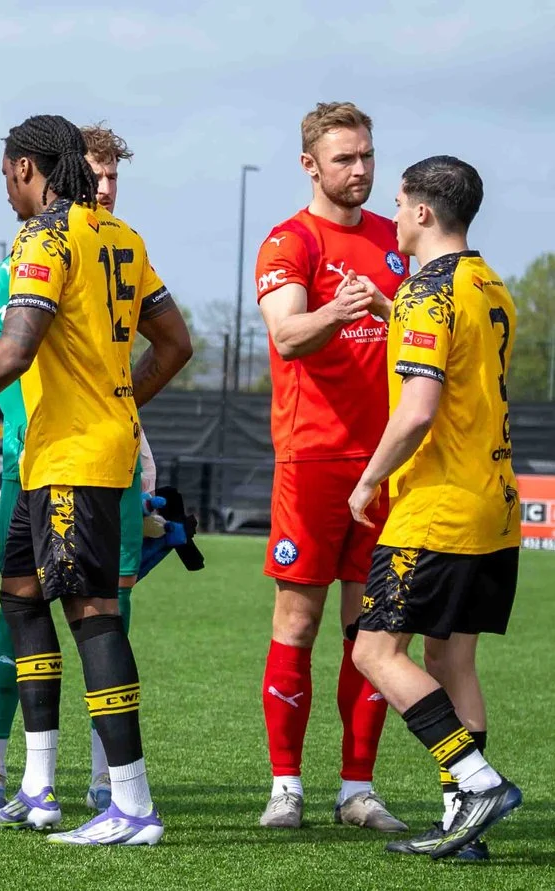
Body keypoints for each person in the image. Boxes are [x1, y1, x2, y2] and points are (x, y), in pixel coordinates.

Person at [0, 115, 191, 845]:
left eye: (6, 177)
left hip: (75, 461)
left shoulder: (44, 238)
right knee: (20, 599)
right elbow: (175, 342)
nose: (7, 192)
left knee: (93, 616)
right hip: (57, 456)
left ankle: (134, 804)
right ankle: (38, 785)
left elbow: (13, 352)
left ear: (26, 168)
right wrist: (122, 399)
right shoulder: (122, 236)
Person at [350, 156, 523, 859]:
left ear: (422, 212)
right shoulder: (489, 284)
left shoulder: (427, 290)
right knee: (453, 661)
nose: (392, 215)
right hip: (496, 506)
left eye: (397, 203)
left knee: (373, 650)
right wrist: (393, 313)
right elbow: (463, 369)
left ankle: (477, 781)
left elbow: (419, 411)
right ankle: (465, 827)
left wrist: (368, 480)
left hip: (438, 509)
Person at [251, 102, 408, 832]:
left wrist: (390, 307)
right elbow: (285, 336)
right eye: (346, 159)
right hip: (311, 460)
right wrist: (337, 313)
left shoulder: (397, 237)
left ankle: (357, 788)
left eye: (368, 156)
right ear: (310, 165)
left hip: (388, 466)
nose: (362, 171)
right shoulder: (290, 241)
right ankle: (286, 784)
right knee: (299, 619)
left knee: (371, 630)